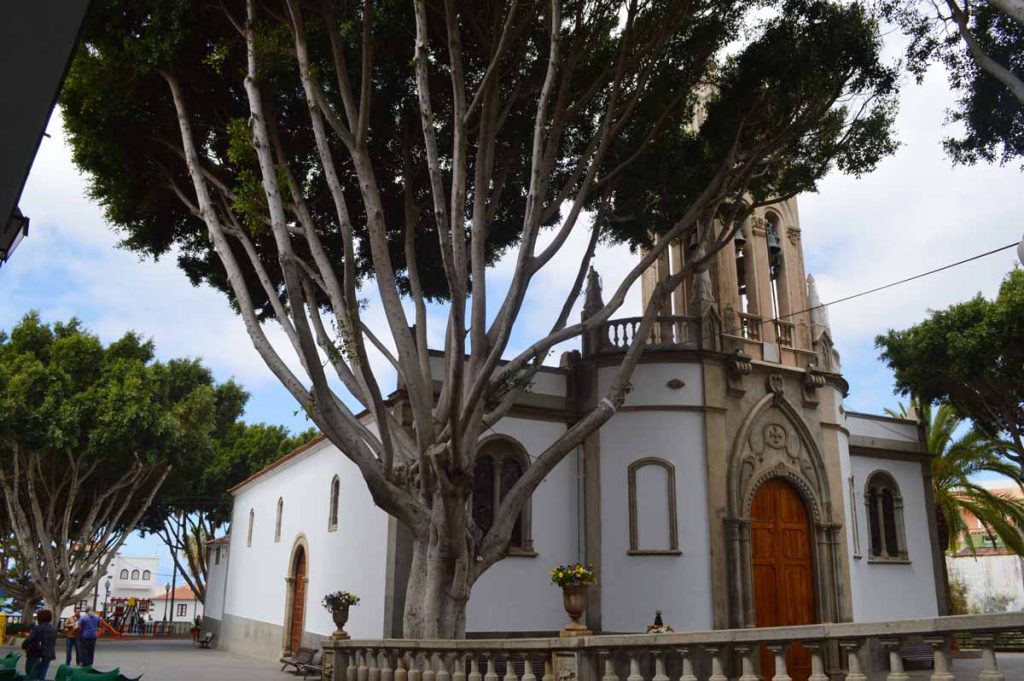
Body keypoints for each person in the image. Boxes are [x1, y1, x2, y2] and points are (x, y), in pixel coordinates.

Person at [21, 609, 57, 680]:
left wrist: (24, 645)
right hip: (48, 654)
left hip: (35, 653)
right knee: (42, 673)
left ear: (40, 618)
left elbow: (29, 639)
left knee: (31, 673)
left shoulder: (38, 628)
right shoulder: (53, 629)